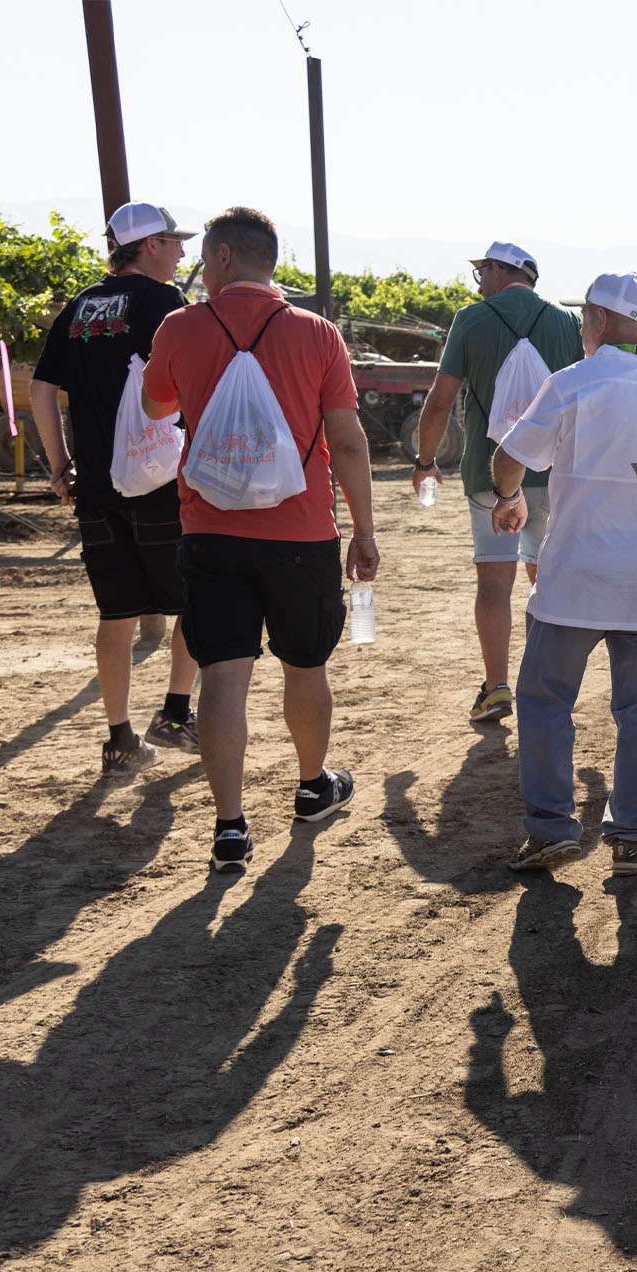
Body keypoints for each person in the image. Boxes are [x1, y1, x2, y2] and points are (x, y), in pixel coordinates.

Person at [140, 206, 378, 871]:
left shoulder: (181, 327)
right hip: (301, 531)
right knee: (305, 664)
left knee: (223, 672)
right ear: (269, 260)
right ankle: (311, 786)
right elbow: (349, 442)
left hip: (211, 528)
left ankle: (230, 828)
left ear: (219, 258)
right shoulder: (318, 334)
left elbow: (158, 407)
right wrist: (362, 529)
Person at [492, 273, 637, 876]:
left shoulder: (571, 382)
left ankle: (551, 828)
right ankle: (633, 834)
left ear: (595, 319)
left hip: (574, 577)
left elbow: (510, 457)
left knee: (544, 700)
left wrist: (508, 497)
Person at [29, 202, 201, 773]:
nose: (181, 251)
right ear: (148, 245)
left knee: (116, 613)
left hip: (96, 487)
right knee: (192, 602)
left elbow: (41, 391)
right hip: (158, 482)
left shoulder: (77, 307)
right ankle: (177, 712)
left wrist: (60, 467)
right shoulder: (162, 303)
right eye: (174, 241)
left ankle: (119, 737)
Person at [412, 242, 582, 724]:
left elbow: (441, 402)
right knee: (548, 574)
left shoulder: (472, 319)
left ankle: (496, 686)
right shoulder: (566, 323)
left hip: (489, 471)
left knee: (494, 579)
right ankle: (550, 684)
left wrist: (426, 460)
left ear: (502, 270)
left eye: (482, 269)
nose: (479, 279)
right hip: (552, 471)